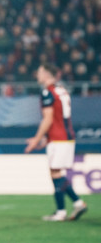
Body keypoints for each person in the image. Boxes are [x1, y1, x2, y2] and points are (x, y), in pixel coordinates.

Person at [25, 63, 87, 221]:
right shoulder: (62, 90)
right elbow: (58, 118)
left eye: (39, 72)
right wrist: (46, 138)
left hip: (58, 138)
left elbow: (48, 118)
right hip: (65, 136)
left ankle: (63, 211)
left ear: (46, 74)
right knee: (57, 173)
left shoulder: (47, 92)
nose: (37, 75)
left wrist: (36, 140)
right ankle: (75, 204)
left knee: (55, 173)